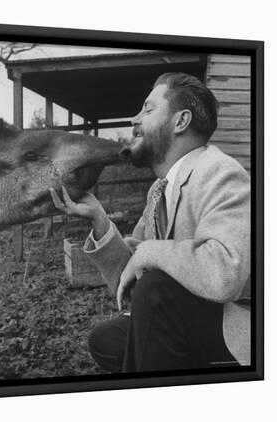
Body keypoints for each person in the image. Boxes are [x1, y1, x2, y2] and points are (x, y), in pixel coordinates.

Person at [50, 72, 251, 372]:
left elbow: (225, 273)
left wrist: (148, 252)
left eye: (148, 108)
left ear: (180, 122)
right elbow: (129, 281)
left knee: (157, 290)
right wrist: (99, 219)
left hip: (237, 327)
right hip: (183, 317)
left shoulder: (220, 172)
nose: (134, 118)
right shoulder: (159, 190)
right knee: (107, 340)